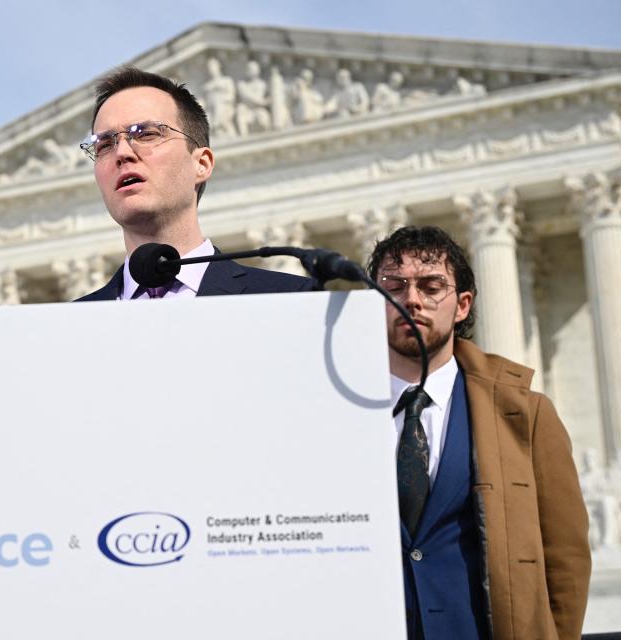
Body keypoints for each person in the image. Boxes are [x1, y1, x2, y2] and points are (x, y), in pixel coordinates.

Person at [368, 226, 590, 639]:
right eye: (393, 285)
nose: (411, 299)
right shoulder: (338, 419)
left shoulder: (526, 414)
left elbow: (565, 557)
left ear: (462, 305)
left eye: (431, 286)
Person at [77, 67, 314, 301]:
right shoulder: (65, 326)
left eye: (146, 134)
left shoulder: (292, 299)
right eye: (105, 145)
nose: (122, 153)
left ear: (201, 164)